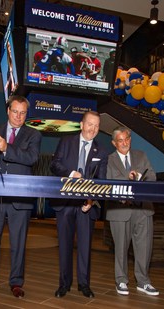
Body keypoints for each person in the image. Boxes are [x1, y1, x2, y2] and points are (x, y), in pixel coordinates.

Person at [0, 95, 42, 299]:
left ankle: (16, 282)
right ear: (8, 111)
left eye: (23, 113)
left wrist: (6, 149)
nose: (18, 116)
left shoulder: (34, 134)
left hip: (20, 198)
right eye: (15, 111)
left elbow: (31, 158)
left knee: (18, 244)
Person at [50, 111, 108, 299]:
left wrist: (91, 200)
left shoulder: (103, 150)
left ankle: (84, 284)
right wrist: (71, 173)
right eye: (90, 124)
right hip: (65, 203)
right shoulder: (66, 142)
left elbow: (101, 180)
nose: (92, 129)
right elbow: (54, 165)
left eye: (96, 126)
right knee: (64, 246)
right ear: (82, 124)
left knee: (85, 248)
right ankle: (64, 284)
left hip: (86, 206)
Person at [106, 126, 159, 297]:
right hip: (119, 210)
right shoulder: (109, 160)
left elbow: (152, 177)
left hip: (143, 209)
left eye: (127, 139)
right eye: (120, 140)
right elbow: (108, 182)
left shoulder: (141, 155)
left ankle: (143, 282)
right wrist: (126, 179)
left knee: (144, 248)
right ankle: (121, 280)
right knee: (120, 248)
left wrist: (138, 178)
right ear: (114, 143)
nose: (124, 143)